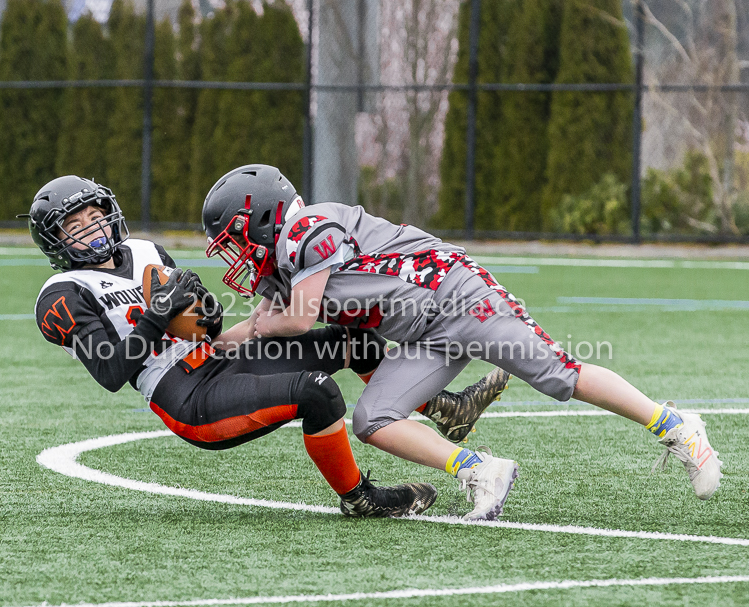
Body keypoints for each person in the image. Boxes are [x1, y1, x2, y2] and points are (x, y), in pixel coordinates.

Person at [201, 164, 723, 516]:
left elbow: (293, 320)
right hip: (423, 332)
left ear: (263, 217)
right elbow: (263, 322)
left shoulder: (307, 229)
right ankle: (481, 471)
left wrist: (256, 327)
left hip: (458, 297)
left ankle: (676, 427)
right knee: (372, 419)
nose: (236, 254)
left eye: (236, 237)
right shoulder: (283, 259)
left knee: (558, 376)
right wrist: (212, 342)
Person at [19, 175, 499, 519]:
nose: (92, 228)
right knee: (317, 392)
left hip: (217, 359)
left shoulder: (145, 251)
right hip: (185, 396)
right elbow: (109, 373)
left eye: (94, 216)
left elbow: (203, 324)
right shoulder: (61, 294)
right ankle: (360, 497)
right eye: (74, 226)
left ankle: (444, 408)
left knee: (352, 341)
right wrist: (155, 314)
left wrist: (203, 309)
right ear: (55, 241)